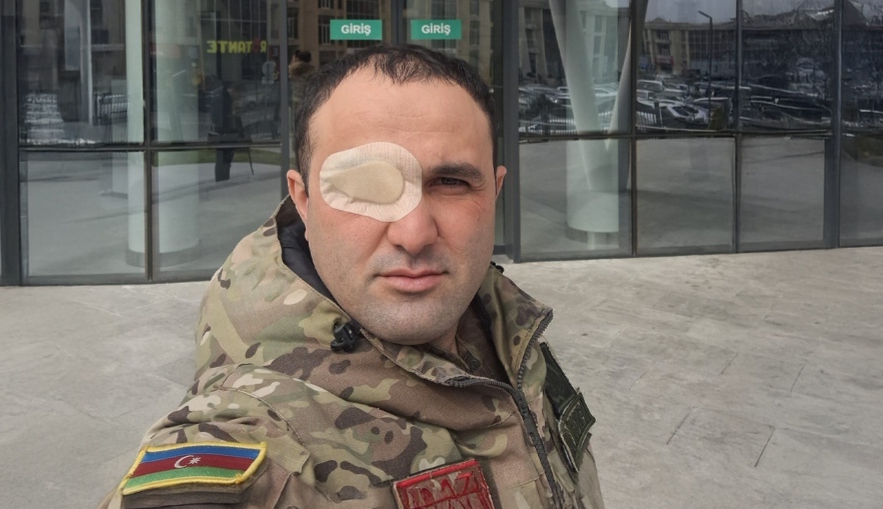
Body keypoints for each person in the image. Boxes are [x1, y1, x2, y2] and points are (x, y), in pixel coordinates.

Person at [101, 44, 603, 509]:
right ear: (303, 200)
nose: (413, 233)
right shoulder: (247, 430)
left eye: (450, 182)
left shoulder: (508, 324)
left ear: (494, 192)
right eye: (365, 185)